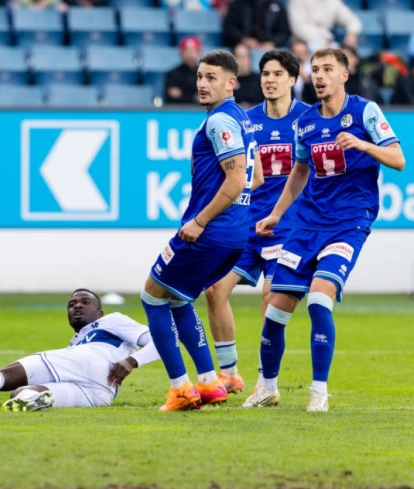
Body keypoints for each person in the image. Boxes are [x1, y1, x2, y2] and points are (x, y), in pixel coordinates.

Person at [248, 48, 405, 411]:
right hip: (306, 223)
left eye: (327, 69)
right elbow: (299, 173)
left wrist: (363, 143)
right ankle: (267, 388)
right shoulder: (305, 123)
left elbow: (398, 159)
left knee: (319, 299)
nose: (319, 76)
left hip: (348, 222)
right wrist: (276, 214)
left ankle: (318, 393)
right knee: (275, 310)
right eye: (315, 69)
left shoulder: (365, 111)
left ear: (344, 75)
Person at [142, 50, 255, 412]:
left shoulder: (220, 121)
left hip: (211, 231)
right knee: (177, 298)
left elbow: (237, 179)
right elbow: (257, 175)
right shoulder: (243, 119)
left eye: (212, 78)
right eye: (201, 76)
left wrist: (200, 220)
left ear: (231, 82)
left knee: (152, 296)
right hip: (235, 233)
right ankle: (208, 383)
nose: (203, 84)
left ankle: (180, 388)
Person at [204, 50, 309, 394]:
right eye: (265, 73)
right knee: (215, 290)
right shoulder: (245, 122)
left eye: (278, 74)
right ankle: (231, 374)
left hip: (288, 227)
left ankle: (266, 381)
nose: (269, 79)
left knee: (270, 296)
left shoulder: (308, 120)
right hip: (248, 226)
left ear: (292, 80)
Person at [0, 289, 160, 411]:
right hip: (102, 393)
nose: (77, 306)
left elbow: (162, 341)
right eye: (72, 304)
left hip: (89, 360)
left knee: (6, 375)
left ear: (100, 313)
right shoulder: (76, 341)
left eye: (85, 302)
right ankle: (32, 399)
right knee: (20, 395)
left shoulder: (111, 320)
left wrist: (132, 361)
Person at [287, 0, 360, 52]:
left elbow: (353, 21)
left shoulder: (333, 2)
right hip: (303, 42)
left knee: (346, 55)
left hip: (328, 43)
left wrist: (352, 33)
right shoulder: (297, 1)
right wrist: (323, 42)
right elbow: (299, 29)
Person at [222, 0, 291, 50]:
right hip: (243, 45)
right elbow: (229, 28)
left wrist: (273, 43)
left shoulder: (278, 7)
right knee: (241, 51)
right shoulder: (238, 5)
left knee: (273, 54)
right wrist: (243, 39)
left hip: (269, 46)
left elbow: (284, 32)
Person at [165, 36, 201, 105]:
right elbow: (170, 98)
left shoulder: (205, 74)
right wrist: (195, 98)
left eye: (193, 51)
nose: (190, 54)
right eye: (187, 51)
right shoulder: (172, 74)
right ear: (181, 53)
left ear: (199, 53)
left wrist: (182, 95)